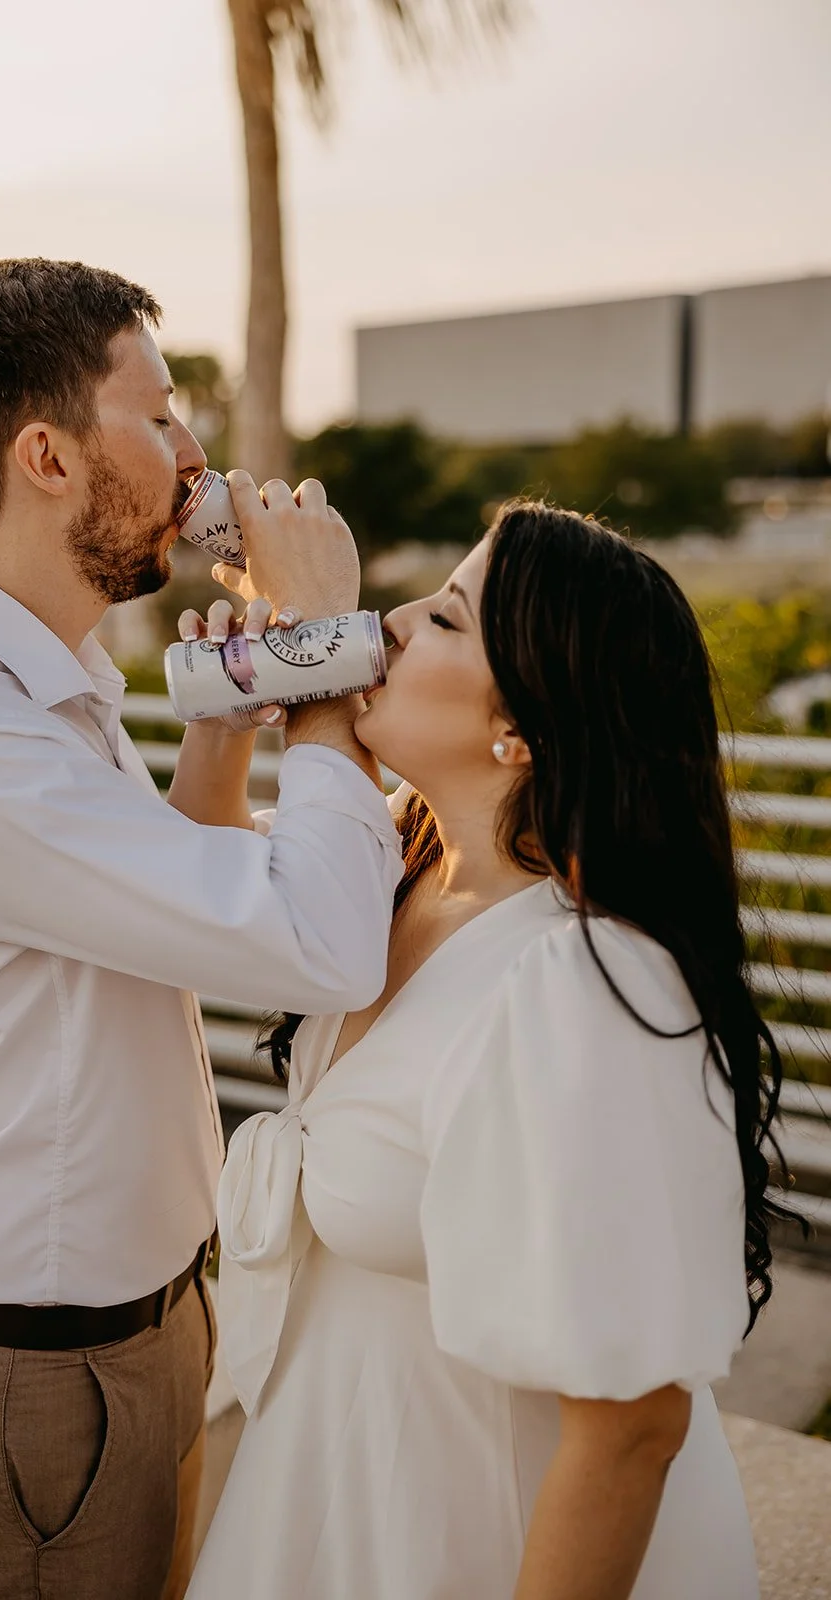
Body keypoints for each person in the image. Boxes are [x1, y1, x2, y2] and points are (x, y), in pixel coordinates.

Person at [0, 257, 402, 1600]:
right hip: (31, 1369)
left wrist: (218, 737)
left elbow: (162, 906)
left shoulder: (51, 676)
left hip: (129, 1327)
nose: (195, 455)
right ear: (44, 454)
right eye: (157, 416)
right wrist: (322, 654)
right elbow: (320, 941)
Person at [186, 500, 785, 1599]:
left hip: (475, 1537)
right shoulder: (394, 872)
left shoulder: (585, 981)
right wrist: (227, 707)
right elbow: (207, 894)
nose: (397, 622)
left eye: (448, 618)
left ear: (526, 722)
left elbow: (633, 1427)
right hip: (333, 1500)